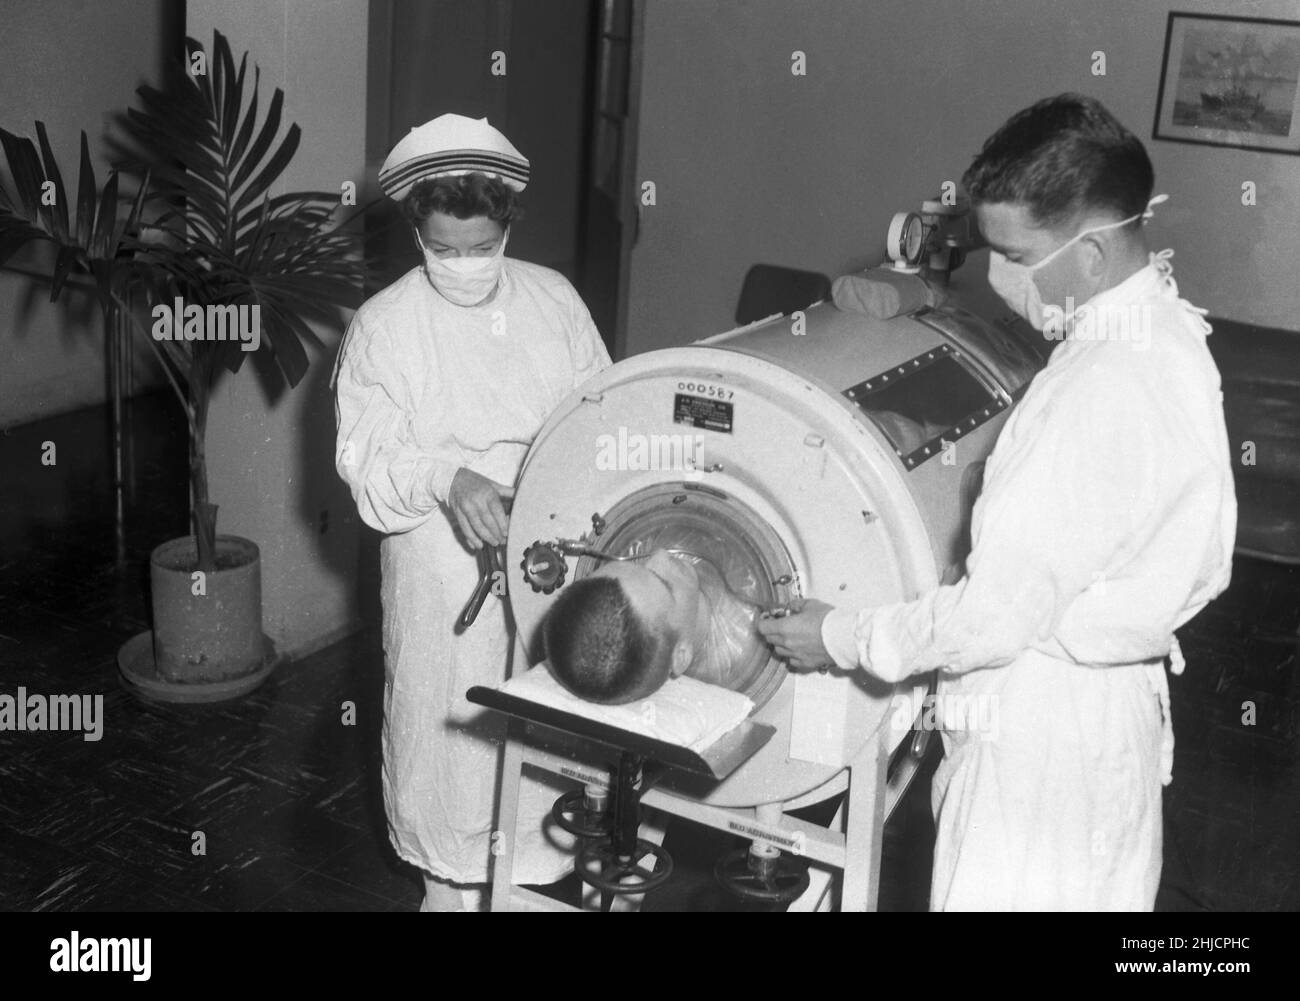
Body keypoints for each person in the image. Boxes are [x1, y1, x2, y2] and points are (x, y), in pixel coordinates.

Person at [758, 93, 1236, 911]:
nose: (998, 275)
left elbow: (992, 619)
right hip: (1104, 717)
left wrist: (839, 633)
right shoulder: (1168, 334)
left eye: (1014, 253)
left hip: (1042, 745)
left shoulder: (1100, 388)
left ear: (1089, 254)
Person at [332, 113, 612, 911]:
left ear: (509, 224)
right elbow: (368, 461)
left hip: (552, 547)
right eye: (444, 250)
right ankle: (445, 889)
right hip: (439, 561)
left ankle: (530, 886)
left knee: (549, 731)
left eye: (480, 246)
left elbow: (599, 412)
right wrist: (449, 478)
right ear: (415, 229)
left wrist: (554, 487)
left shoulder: (553, 301)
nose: (464, 265)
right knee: (448, 732)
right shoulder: (385, 326)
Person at [544, 549, 768, 703]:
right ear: (681, 656)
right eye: (664, 582)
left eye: (631, 563)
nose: (659, 554)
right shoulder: (746, 668)